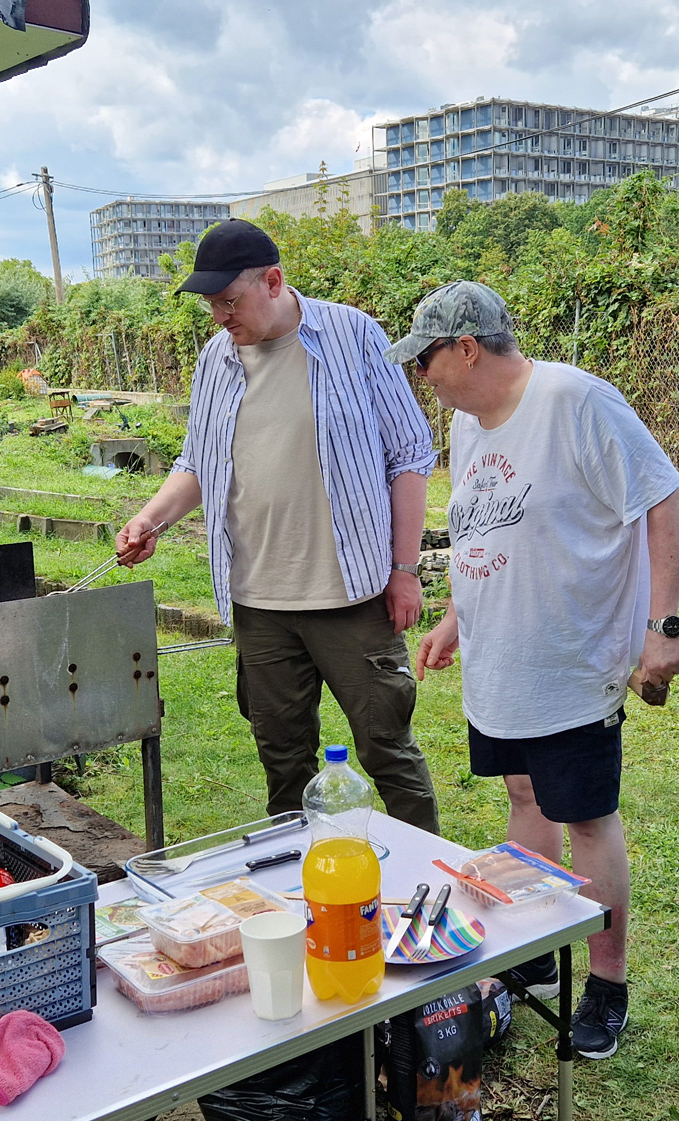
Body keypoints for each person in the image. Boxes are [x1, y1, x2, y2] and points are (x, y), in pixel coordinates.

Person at [401, 281, 679, 1059]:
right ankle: (537, 954)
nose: (420, 374)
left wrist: (663, 628)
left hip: (571, 659)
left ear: (466, 347)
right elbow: (482, 527)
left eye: (425, 357)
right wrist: (459, 617)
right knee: (523, 795)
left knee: (586, 818)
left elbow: (665, 499)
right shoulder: (467, 425)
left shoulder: (575, 400)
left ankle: (607, 982)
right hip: (500, 662)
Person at [116, 219, 440, 833]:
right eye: (211, 304)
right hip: (259, 603)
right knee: (284, 763)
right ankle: (302, 894)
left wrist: (404, 571)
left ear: (273, 281)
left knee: (387, 753)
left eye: (229, 300)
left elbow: (410, 455)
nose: (219, 316)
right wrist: (150, 517)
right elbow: (198, 463)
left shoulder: (354, 335)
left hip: (354, 593)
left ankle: (423, 895)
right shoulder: (215, 359)